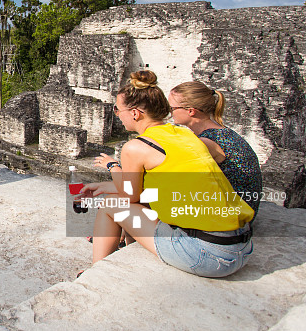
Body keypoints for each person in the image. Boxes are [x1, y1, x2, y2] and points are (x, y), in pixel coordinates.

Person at [81, 71, 254, 278]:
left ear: (135, 113)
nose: (117, 114)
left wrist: (112, 167)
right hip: (242, 246)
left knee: (110, 205)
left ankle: (96, 274)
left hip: (209, 255)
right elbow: (152, 188)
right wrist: (106, 185)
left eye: (117, 110)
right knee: (138, 202)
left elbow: (130, 197)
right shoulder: (185, 134)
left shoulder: (136, 147)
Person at [169, 81, 263, 217]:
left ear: (190, 111)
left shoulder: (207, 142)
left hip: (235, 216)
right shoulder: (222, 132)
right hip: (243, 208)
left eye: (172, 108)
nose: (170, 112)